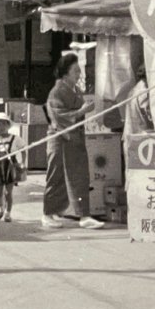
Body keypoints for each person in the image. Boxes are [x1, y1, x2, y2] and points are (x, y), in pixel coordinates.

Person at [43, 53, 102, 230]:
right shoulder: (56, 91)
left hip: (75, 138)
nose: (79, 74)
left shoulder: (75, 90)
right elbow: (58, 116)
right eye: (75, 71)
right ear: (65, 72)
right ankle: (47, 213)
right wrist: (81, 111)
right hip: (60, 138)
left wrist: (84, 110)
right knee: (57, 176)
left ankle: (84, 215)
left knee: (79, 176)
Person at [0, 111, 26, 223]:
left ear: (8, 125)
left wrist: (22, 163)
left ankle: (8, 213)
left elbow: (23, 150)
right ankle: (0, 208)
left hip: (10, 167)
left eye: (4, 124)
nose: (1, 127)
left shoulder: (16, 139)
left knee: (8, 192)